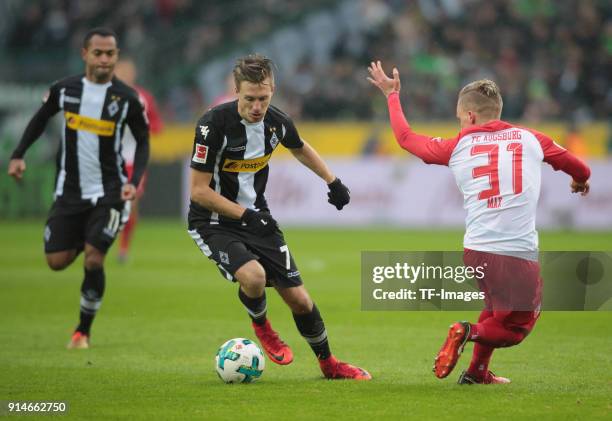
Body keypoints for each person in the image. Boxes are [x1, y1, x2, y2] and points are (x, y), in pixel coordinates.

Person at [367, 61, 590, 384]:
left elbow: (405, 138)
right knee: (515, 329)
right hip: (516, 253)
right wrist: (580, 181)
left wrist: (392, 95)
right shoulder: (531, 139)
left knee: (496, 309)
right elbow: (578, 166)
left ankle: (476, 373)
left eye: (460, 119)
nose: (460, 124)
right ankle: (465, 332)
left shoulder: (457, 145)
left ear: (470, 116)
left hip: (475, 251)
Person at [188, 54, 371, 380]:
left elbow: (299, 147)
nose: (256, 106)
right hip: (213, 221)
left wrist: (332, 181)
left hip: (257, 217)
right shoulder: (212, 125)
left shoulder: (276, 121)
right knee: (255, 277)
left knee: (300, 300)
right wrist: (245, 215)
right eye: (249, 99)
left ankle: (330, 365)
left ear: (273, 90)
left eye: (263, 98)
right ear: (235, 91)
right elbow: (199, 191)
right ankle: (263, 327)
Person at [7, 28, 150, 349]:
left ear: (116, 56)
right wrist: (18, 155)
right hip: (69, 192)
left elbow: (143, 141)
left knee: (94, 259)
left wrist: (133, 179)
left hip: (111, 191)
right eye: (98, 53)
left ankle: (82, 331)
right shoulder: (64, 90)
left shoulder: (127, 98)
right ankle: (86, 238)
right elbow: (40, 119)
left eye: (110, 54)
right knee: (56, 261)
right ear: (85, 54)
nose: (104, 59)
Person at [114, 57, 164, 262]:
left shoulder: (143, 97)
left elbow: (157, 126)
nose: (126, 75)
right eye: (122, 71)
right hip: (107, 158)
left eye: (129, 71)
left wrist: (140, 127)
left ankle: (123, 249)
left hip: (134, 159)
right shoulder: (105, 95)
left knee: (130, 202)